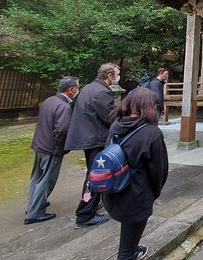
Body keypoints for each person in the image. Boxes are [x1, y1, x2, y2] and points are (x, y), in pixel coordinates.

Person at [103, 87, 169, 260]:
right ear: (149, 106)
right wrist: (153, 194)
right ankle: (129, 254)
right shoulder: (152, 133)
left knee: (129, 235)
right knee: (126, 250)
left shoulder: (115, 126)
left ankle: (132, 249)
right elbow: (159, 171)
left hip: (113, 190)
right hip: (136, 195)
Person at [65, 63, 120, 229]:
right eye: (117, 74)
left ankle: (92, 203)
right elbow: (110, 116)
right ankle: (85, 213)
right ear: (109, 75)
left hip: (89, 136)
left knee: (94, 174)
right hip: (95, 138)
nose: (118, 77)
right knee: (96, 175)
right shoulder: (101, 92)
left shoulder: (90, 88)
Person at [24, 76, 79, 224]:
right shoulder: (63, 106)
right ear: (71, 89)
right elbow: (62, 130)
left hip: (39, 144)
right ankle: (35, 213)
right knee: (46, 179)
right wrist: (64, 146)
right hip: (51, 147)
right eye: (76, 88)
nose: (77, 90)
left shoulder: (49, 101)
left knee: (36, 177)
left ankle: (32, 204)